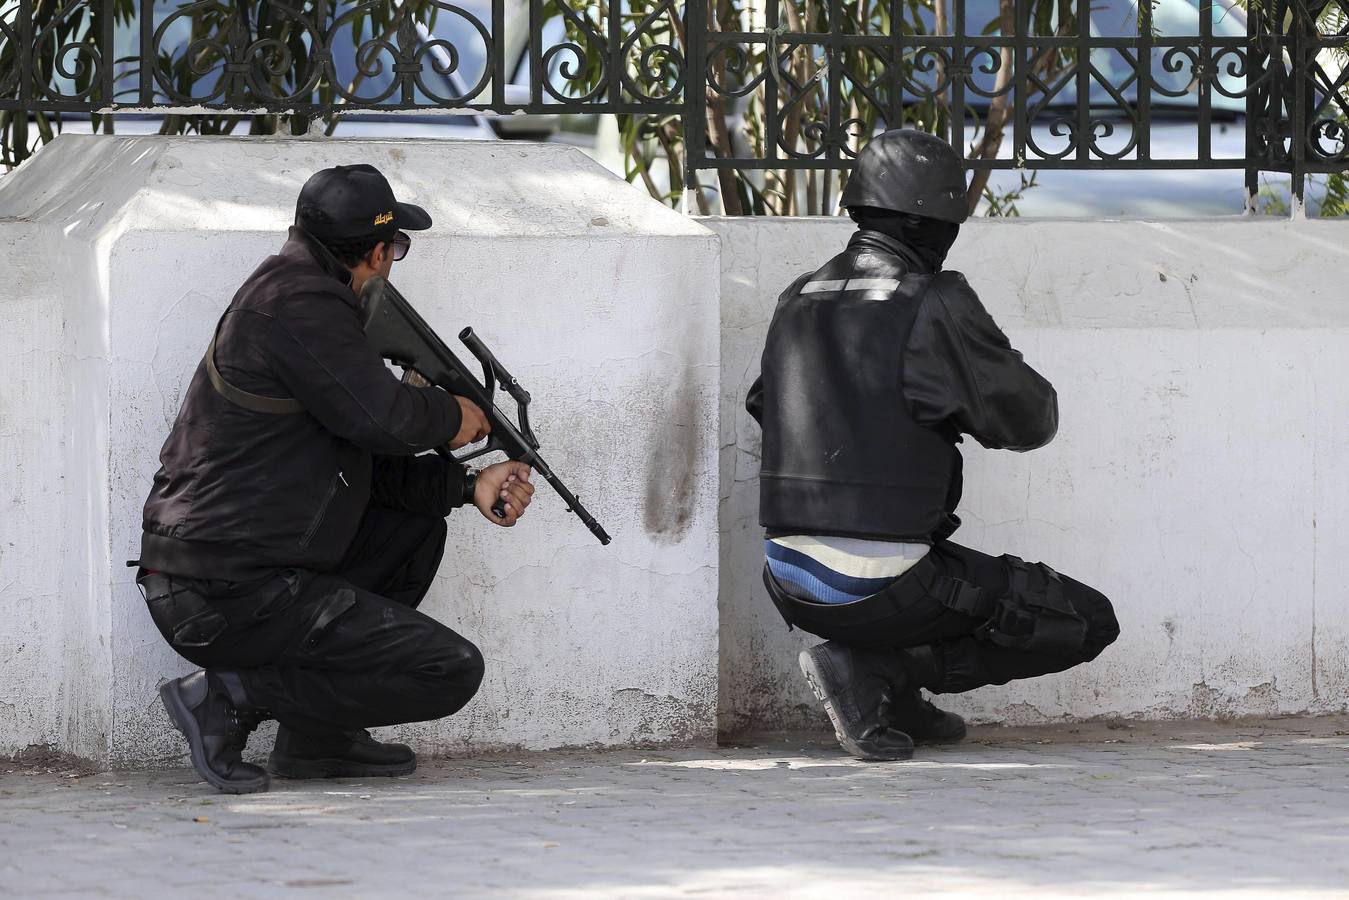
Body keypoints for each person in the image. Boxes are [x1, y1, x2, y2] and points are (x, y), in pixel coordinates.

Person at [135, 163, 536, 793]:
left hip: (229, 570)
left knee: (413, 527)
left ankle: (316, 741)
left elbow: (359, 468)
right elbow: (387, 418)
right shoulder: (303, 304)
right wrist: (452, 415)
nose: (394, 260)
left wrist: (467, 486)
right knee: (451, 671)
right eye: (396, 248)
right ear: (377, 253)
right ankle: (225, 696)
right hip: (224, 589)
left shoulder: (294, 293)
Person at [745, 130, 1120, 761]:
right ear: (932, 222)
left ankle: (885, 687)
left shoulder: (799, 296)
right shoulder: (932, 299)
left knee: (936, 571)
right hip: (879, 581)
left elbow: (765, 402)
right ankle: (881, 675)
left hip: (785, 576)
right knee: (1084, 620)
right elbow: (1028, 420)